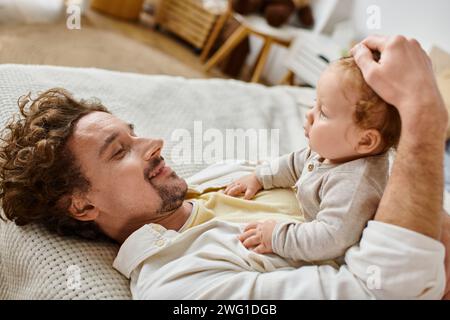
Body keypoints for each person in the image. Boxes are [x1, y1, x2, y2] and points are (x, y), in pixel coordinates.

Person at [0, 35, 449, 299]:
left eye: (134, 134)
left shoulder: (216, 180)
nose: (154, 144)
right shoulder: (180, 284)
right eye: (119, 152)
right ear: (81, 205)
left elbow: (319, 168)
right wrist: (422, 120)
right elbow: (379, 292)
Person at [223, 56, 401, 263]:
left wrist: (277, 237)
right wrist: (260, 177)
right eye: (315, 103)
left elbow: (329, 238)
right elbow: (293, 164)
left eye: (323, 112)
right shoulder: (335, 151)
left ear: (365, 140)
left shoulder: (355, 185)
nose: (309, 114)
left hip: (332, 258)